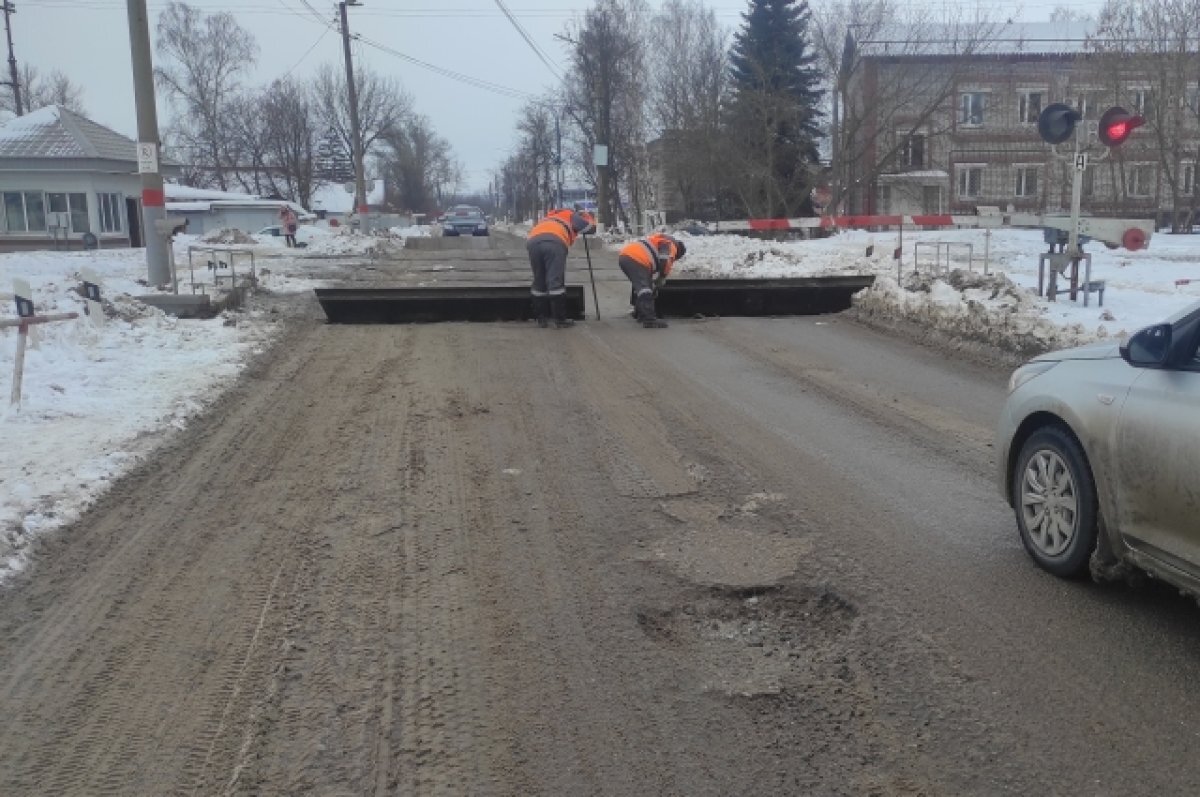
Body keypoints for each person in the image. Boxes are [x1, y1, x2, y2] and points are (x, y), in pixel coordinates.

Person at [526, 207, 596, 328]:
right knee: (555, 281)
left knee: (539, 280)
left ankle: (541, 318)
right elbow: (589, 229)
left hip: (533, 241)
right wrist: (589, 217)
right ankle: (559, 319)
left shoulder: (548, 217)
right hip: (554, 241)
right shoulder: (570, 214)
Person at [617, 233, 686, 329]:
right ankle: (649, 319)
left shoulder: (660, 240)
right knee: (645, 289)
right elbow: (665, 261)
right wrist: (662, 276)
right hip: (635, 259)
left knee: (644, 287)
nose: (674, 259)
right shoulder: (671, 245)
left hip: (628, 256)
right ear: (679, 252)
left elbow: (654, 257)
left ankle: (641, 314)